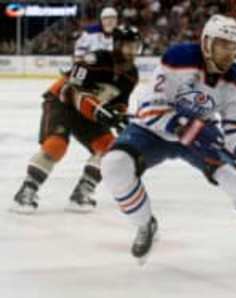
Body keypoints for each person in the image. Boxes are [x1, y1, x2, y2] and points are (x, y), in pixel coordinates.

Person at [101, 15, 236, 267]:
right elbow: (150, 107)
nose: (229, 52)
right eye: (223, 44)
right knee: (114, 165)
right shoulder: (179, 58)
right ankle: (145, 223)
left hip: (199, 134)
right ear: (207, 42)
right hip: (154, 129)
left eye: (235, 46)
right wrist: (187, 129)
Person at [11, 26, 141, 214]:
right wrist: (99, 110)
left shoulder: (132, 75)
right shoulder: (96, 60)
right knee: (56, 144)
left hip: (90, 111)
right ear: (118, 45)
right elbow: (71, 91)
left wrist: (119, 117)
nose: (133, 52)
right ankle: (26, 191)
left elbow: (120, 102)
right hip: (61, 102)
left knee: (110, 149)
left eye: (136, 47)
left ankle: (82, 192)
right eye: (129, 46)